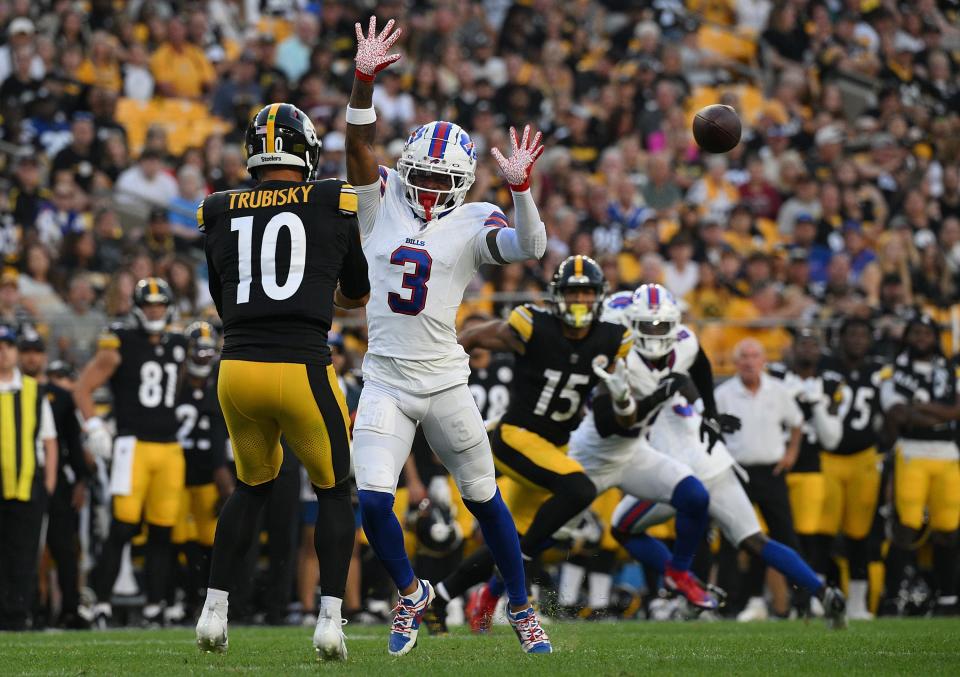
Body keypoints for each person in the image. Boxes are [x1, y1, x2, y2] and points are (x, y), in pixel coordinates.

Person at [345, 16, 551, 656]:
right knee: (374, 502)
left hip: (446, 380)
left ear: (461, 182)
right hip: (384, 379)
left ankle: (520, 608)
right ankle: (411, 594)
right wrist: (362, 83)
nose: (432, 187)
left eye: (443, 179)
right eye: (423, 175)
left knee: (485, 501)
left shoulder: (472, 219)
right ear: (407, 169)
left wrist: (521, 192)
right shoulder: (377, 199)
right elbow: (356, 149)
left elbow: (529, 246)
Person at [195, 102, 369, 660]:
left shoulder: (217, 209)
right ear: (307, 152)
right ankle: (329, 621)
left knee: (250, 488)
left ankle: (213, 613)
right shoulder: (333, 198)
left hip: (237, 369)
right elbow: (358, 291)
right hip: (302, 367)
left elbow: (223, 299)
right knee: (335, 490)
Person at [605, 295, 847, 630]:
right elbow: (695, 373)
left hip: (678, 474)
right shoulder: (681, 350)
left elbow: (630, 413)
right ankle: (824, 592)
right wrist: (711, 415)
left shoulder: (631, 366)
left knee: (621, 527)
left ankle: (684, 580)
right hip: (717, 465)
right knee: (756, 541)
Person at [423, 257, 631, 632]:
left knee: (511, 537)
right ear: (557, 296)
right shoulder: (533, 325)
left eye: (586, 292)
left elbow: (623, 420)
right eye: (573, 292)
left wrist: (623, 400)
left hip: (553, 449)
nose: (580, 300)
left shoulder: (611, 340)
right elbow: (470, 337)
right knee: (580, 488)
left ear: (599, 296)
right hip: (515, 437)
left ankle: (438, 599)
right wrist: (447, 389)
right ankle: (507, 582)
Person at [567, 285, 726, 612]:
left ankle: (679, 572)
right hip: (594, 451)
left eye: (661, 326)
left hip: (634, 450)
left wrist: (710, 411)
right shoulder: (617, 355)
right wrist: (659, 395)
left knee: (695, 497)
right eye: (647, 326)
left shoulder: (683, 343)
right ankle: (491, 592)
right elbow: (606, 423)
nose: (655, 334)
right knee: (544, 532)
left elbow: (701, 363)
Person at [73, 278, 188, 629]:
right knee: (122, 528)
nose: (154, 310)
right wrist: (94, 427)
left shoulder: (179, 343)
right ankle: (102, 602)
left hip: (170, 448)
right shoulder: (120, 341)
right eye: (148, 304)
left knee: (162, 532)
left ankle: (155, 605)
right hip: (132, 446)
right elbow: (83, 388)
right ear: (138, 307)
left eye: (159, 304)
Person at [715, 338, 808, 620]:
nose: (749, 361)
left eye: (754, 356)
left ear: (763, 361)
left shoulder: (777, 391)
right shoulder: (723, 394)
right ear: (736, 362)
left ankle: (803, 599)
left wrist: (791, 453)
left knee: (785, 535)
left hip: (771, 472)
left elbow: (797, 423)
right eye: (743, 356)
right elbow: (709, 430)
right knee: (733, 540)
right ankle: (730, 604)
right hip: (737, 473)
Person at [880, 314, 960, 616]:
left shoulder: (951, 369)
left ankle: (948, 598)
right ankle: (893, 596)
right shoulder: (895, 371)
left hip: (948, 453)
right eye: (915, 332)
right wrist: (942, 414)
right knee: (906, 526)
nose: (921, 337)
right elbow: (897, 414)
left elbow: (957, 412)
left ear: (936, 336)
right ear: (907, 337)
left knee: (949, 529)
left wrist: (923, 408)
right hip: (911, 450)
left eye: (926, 332)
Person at [18, 328, 88, 629]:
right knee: (23, 547)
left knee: (63, 547)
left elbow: (73, 441)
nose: (31, 357)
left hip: (57, 478)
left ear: (44, 357)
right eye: (26, 351)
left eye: (36, 351)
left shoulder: (59, 396)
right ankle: (30, 607)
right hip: (19, 475)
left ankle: (70, 608)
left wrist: (82, 481)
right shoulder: (10, 393)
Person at [767, 330, 843, 594]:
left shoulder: (830, 383)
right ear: (793, 348)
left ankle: (807, 595)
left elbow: (832, 439)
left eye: (813, 345)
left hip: (811, 468)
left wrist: (818, 404)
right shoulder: (775, 378)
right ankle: (774, 598)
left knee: (807, 536)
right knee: (772, 537)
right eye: (803, 344)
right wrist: (785, 398)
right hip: (776, 467)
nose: (808, 350)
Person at [820, 317, 885, 620]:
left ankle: (858, 603)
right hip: (829, 458)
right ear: (840, 338)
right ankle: (822, 595)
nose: (858, 340)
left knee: (859, 534)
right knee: (822, 534)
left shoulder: (879, 371)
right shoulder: (826, 366)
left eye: (863, 334)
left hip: (863, 458)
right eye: (852, 335)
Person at [170, 321, 232, 622]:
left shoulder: (219, 382)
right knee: (180, 539)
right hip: (179, 474)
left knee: (210, 543)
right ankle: (181, 597)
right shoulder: (176, 383)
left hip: (209, 473)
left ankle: (203, 601)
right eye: (200, 350)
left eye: (210, 351)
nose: (205, 357)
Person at [0, 325, 58, 631]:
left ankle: (17, 614)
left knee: (23, 554)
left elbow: (49, 440)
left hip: (26, 483)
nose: (3, 352)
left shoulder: (34, 391)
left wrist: (48, 483)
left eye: (8, 346)